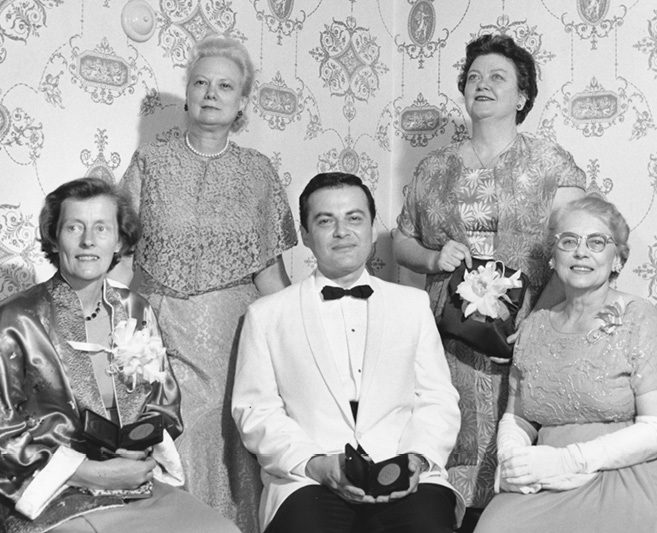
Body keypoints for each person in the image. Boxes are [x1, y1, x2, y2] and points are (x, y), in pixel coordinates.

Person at [392, 33, 586, 522]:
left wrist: (538, 321)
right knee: (444, 466)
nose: (482, 84)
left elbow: (575, 250)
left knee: (519, 478)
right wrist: (434, 259)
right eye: (473, 77)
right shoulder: (433, 169)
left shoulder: (552, 165)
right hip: (447, 343)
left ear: (522, 96)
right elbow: (400, 243)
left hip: (527, 336)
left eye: (497, 77)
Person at [119, 35, 297, 532]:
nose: (211, 93)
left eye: (225, 85)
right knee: (167, 443)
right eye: (200, 83)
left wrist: (306, 339)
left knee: (232, 447)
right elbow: (120, 255)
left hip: (234, 339)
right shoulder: (150, 162)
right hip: (159, 332)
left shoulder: (258, 172)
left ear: (242, 102)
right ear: (189, 93)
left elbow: (269, 273)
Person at [0, 177, 240, 533]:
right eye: (74, 227)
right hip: (50, 490)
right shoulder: (14, 320)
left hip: (132, 482)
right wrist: (89, 472)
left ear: (120, 240)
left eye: (101, 228)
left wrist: (137, 453)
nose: (88, 241)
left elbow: (163, 402)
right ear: (54, 237)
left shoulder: (135, 308)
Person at [232, 172, 465, 533]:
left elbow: (438, 398)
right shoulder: (266, 314)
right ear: (306, 236)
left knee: (427, 525)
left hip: (402, 469)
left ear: (373, 229)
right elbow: (255, 411)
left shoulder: (413, 305)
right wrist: (314, 463)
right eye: (326, 221)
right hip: (309, 478)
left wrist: (418, 457)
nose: (342, 231)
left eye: (354, 218)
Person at [474, 195, 657, 532]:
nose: (581, 252)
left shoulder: (641, 318)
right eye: (569, 241)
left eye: (597, 242)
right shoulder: (534, 326)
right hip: (542, 476)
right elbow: (517, 417)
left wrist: (569, 460)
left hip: (621, 472)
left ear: (617, 259)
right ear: (553, 258)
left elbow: (654, 428)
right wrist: (512, 459)